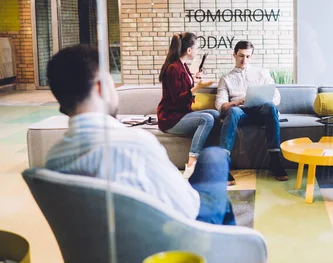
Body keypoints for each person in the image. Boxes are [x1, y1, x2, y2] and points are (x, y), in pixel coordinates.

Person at [44, 45, 236, 225]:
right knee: (215, 158)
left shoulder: (54, 160)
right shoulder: (136, 144)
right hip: (181, 232)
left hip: (113, 242)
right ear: (100, 88)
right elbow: (187, 206)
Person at [216, 40, 288, 185]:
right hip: (241, 114)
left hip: (261, 111)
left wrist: (266, 102)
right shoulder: (226, 79)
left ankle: (275, 161)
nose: (244, 60)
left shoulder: (262, 73)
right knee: (234, 111)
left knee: (270, 106)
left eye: (248, 56)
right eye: (241, 56)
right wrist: (236, 102)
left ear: (251, 57)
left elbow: (276, 96)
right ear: (234, 55)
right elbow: (220, 105)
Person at [157, 32, 217, 179]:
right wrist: (198, 87)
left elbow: (182, 87)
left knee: (215, 114)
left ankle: (209, 158)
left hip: (181, 114)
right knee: (206, 119)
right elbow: (177, 99)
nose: (197, 51)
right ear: (189, 50)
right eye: (196, 48)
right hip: (170, 119)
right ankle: (191, 165)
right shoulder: (173, 68)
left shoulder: (182, 66)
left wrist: (194, 78)